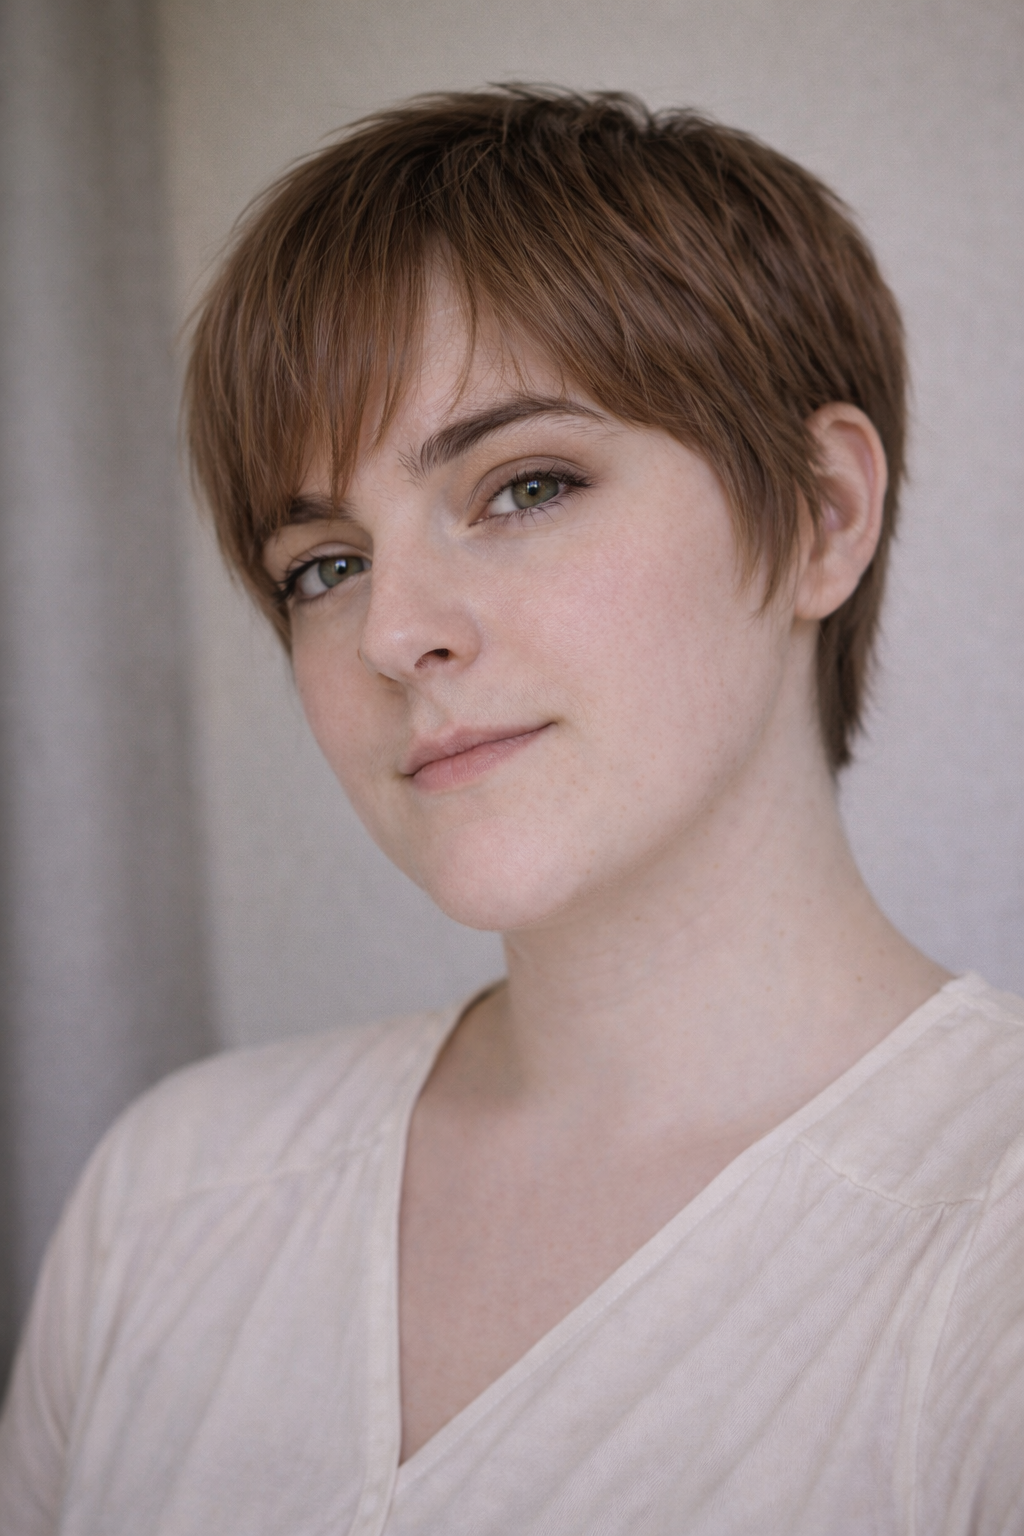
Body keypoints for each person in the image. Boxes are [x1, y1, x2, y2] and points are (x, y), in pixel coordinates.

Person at [1, 85, 1022, 1535]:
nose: (390, 632)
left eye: (524, 485)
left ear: (819, 514)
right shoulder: (170, 1194)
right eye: (323, 565)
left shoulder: (988, 1265)